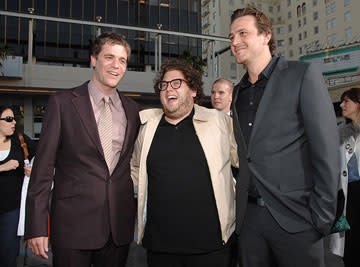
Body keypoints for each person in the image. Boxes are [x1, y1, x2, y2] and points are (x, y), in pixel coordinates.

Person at [228, 6, 340, 267]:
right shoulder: (237, 92)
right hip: (250, 223)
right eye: (231, 37)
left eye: (242, 33)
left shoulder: (302, 75)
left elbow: (326, 152)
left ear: (266, 35)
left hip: (298, 221)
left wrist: (321, 219)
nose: (234, 41)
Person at [24, 32, 140, 267]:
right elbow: (43, 170)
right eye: (109, 57)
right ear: (93, 60)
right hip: (72, 228)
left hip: (117, 228)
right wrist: (36, 226)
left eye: (122, 60)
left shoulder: (133, 110)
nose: (116, 65)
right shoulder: (63, 103)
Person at [130, 59, 238, 267]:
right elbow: (135, 171)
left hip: (211, 246)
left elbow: (245, 161)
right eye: (164, 84)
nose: (168, 88)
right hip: (160, 247)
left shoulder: (219, 122)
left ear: (194, 90)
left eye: (177, 83)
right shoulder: (147, 127)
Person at [327, 88, 360, 267]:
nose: (341, 105)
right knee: (350, 245)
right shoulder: (340, 132)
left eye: (347, 101)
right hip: (348, 195)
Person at [0, 105, 36, 267]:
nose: (14, 122)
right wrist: (3, 167)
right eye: (8, 119)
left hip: (11, 209)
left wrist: (33, 169)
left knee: (8, 252)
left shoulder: (21, 140)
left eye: (14, 118)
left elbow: (44, 155)